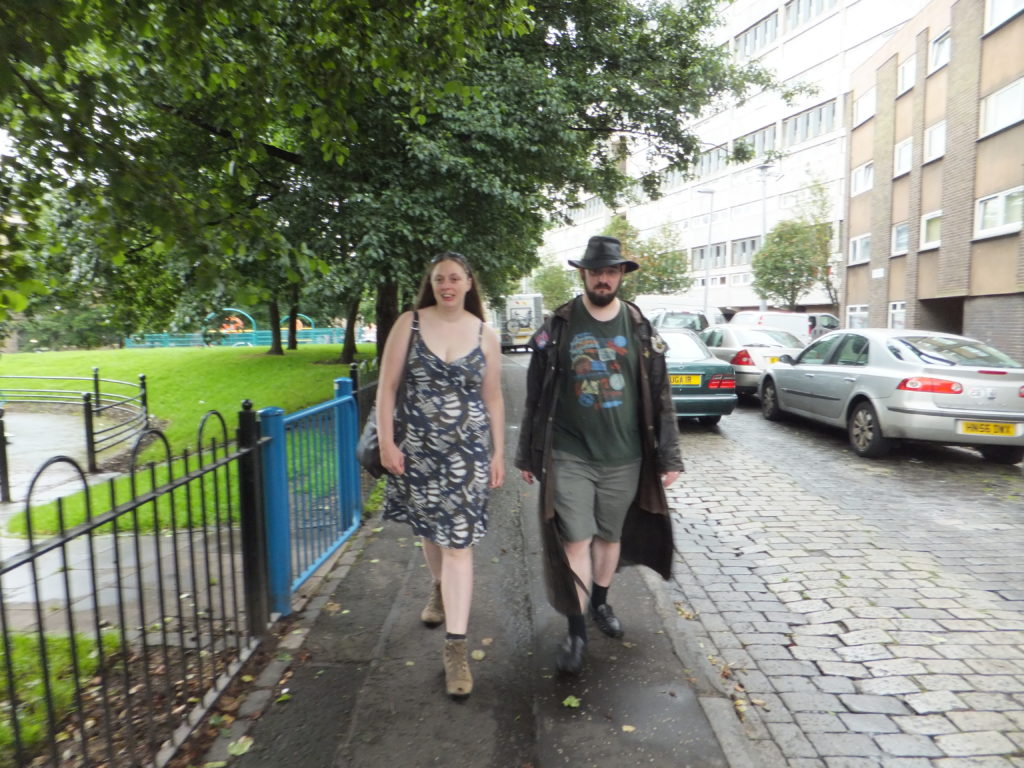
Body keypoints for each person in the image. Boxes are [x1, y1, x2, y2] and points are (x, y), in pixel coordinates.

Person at [515, 235, 684, 675]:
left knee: (610, 537)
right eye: (596, 272)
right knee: (575, 538)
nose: (603, 279)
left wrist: (669, 457)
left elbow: (661, 395)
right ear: (584, 274)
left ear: (621, 275)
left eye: (610, 272)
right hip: (570, 452)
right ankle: (576, 629)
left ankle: (601, 603)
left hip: (625, 455)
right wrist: (527, 455)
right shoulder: (560, 324)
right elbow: (535, 396)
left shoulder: (639, 326)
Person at [376, 251, 505, 699]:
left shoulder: (486, 334)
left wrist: (498, 453)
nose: (446, 285)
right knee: (432, 533)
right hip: (418, 452)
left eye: (454, 278)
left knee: (459, 544)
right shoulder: (408, 324)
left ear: (469, 283)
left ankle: (456, 648)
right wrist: (389, 443)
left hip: (467, 454)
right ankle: (437, 588)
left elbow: (493, 399)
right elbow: (387, 387)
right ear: (431, 284)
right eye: (438, 279)